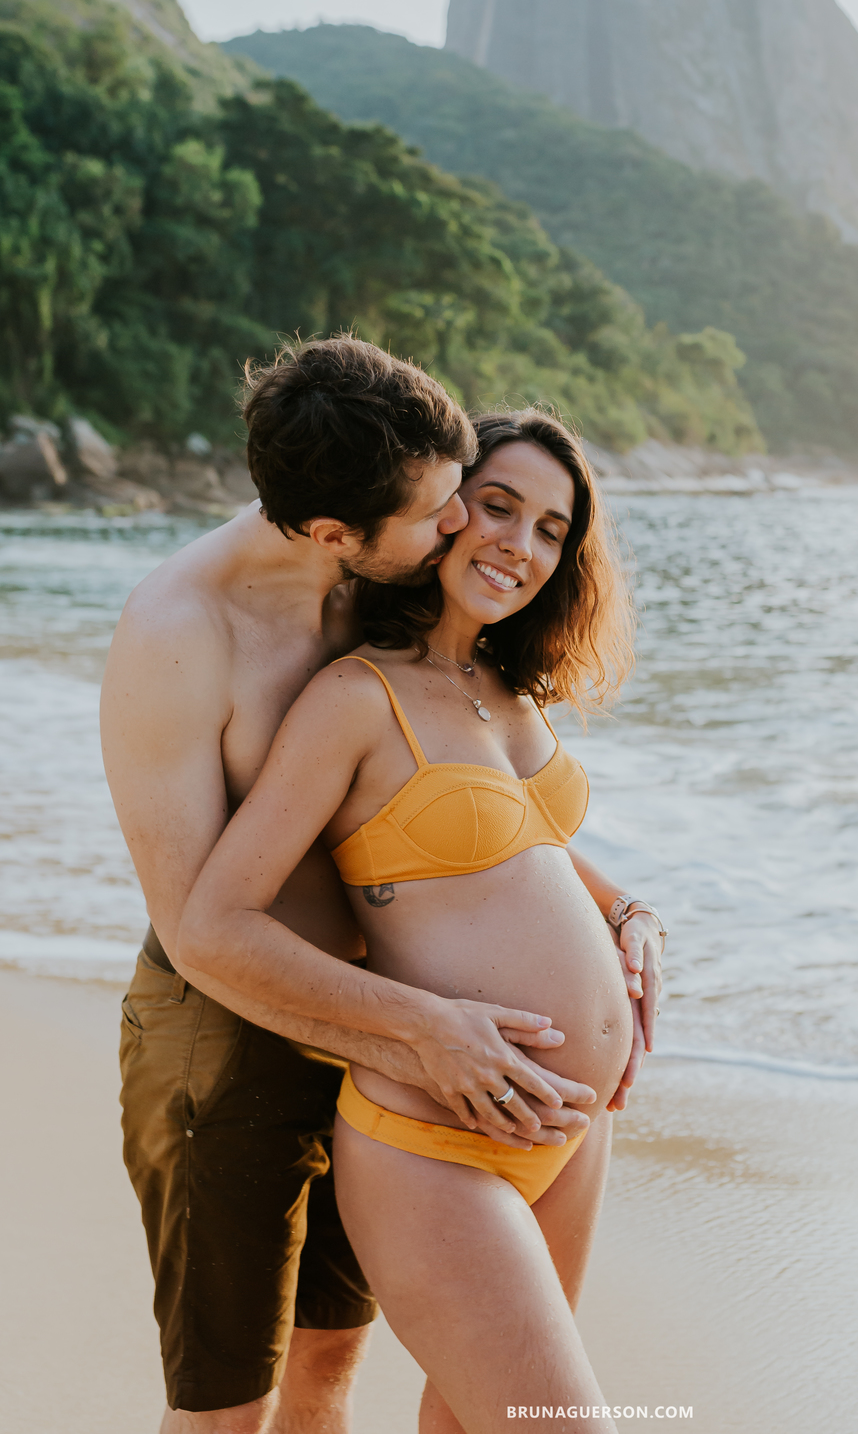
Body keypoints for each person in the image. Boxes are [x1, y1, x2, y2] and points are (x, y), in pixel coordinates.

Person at [102, 342, 659, 1433]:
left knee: (330, 1369)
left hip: (403, 1040)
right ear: (334, 533)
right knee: (228, 1409)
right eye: (455, 509)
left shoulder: (389, 588)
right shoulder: (181, 634)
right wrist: (423, 1030)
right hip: (232, 1038)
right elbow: (204, 929)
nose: (466, 530)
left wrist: (618, 908)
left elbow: (456, 814)